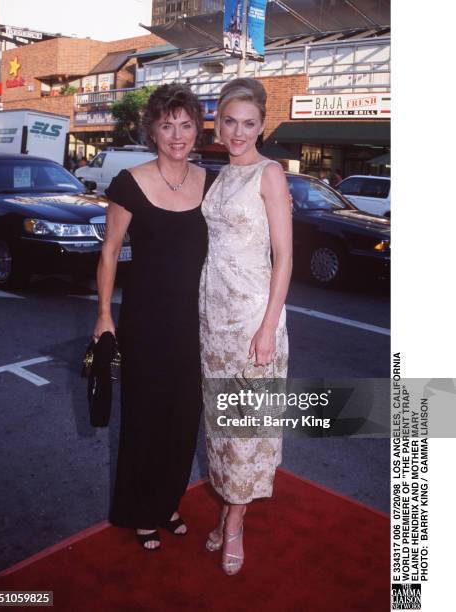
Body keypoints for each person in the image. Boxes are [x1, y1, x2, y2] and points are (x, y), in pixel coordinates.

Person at [92, 83, 217, 551]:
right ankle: (139, 509)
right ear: (153, 131)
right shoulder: (129, 182)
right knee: (145, 417)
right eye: (167, 125)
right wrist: (104, 316)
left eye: (185, 125)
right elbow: (108, 254)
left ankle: (167, 502)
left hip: (195, 323)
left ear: (196, 129)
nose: (177, 135)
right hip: (144, 321)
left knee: (184, 418)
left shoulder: (212, 183)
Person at [199, 78, 292, 575]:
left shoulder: (270, 173)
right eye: (230, 121)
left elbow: (285, 255)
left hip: (253, 317)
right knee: (222, 426)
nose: (238, 132)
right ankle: (227, 509)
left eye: (248, 123)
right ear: (219, 122)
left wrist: (267, 325)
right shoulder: (219, 173)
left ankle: (233, 525)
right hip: (212, 318)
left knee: (245, 426)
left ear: (262, 125)